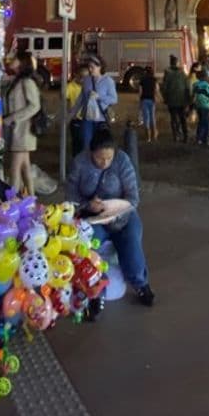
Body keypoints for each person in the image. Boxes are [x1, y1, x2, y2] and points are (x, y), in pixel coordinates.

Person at [66, 127, 154, 315]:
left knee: (132, 247)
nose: (105, 162)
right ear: (91, 153)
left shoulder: (122, 161)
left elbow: (133, 198)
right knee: (89, 250)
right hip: (92, 219)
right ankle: (95, 292)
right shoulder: (80, 163)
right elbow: (71, 197)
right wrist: (87, 205)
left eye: (109, 158)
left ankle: (141, 283)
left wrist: (114, 208)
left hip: (123, 217)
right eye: (100, 158)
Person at [2, 52, 42, 195]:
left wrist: (12, 118)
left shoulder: (26, 82)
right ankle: (31, 198)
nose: (10, 61)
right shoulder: (17, 80)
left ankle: (12, 202)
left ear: (22, 62)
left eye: (15, 58)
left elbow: (34, 106)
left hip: (23, 130)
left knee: (15, 169)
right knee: (25, 167)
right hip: (19, 130)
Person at [70, 56, 118, 151]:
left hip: (101, 119)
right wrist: (72, 113)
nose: (90, 69)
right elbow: (81, 98)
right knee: (86, 144)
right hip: (87, 118)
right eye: (89, 67)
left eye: (92, 67)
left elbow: (114, 99)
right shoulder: (87, 80)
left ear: (100, 67)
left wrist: (99, 96)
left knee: (100, 146)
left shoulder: (108, 81)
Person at [161, 54, 191, 143]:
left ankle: (176, 135)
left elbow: (164, 88)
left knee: (173, 118)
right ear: (177, 63)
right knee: (183, 118)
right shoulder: (183, 74)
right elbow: (187, 87)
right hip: (182, 100)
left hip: (171, 101)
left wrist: (165, 98)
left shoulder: (167, 74)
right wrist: (188, 99)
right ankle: (185, 136)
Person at [66, 68, 88, 157]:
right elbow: (63, 95)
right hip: (76, 120)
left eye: (86, 77)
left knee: (86, 142)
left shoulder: (88, 86)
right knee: (77, 143)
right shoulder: (71, 86)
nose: (84, 80)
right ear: (76, 76)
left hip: (87, 119)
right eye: (81, 77)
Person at [191, 71, 209, 145]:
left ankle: (199, 138)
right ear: (205, 77)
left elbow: (193, 95)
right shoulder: (208, 86)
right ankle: (204, 139)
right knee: (206, 123)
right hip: (206, 105)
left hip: (198, 105)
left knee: (201, 121)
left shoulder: (195, 85)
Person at [139, 65, 158, 142]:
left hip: (144, 100)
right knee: (152, 117)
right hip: (152, 100)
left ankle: (148, 137)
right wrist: (156, 98)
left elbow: (140, 91)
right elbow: (156, 89)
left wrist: (140, 101)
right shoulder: (154, 79)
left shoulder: (142, 80)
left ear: (145, 72)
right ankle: (155, 135)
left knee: (146, 118)